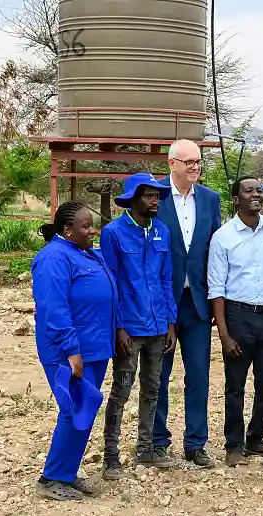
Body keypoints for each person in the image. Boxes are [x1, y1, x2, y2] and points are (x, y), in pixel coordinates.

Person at [31, 200, 120, 500]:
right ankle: (52, 478)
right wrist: (71, 350)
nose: (92, 231)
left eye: (92, 225)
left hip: (94, 348)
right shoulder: (53, 258)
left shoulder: (85, 253)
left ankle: (66, 473)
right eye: (86, 226)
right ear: (67, 229)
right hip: (68, 351)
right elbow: (53, 308)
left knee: (85, 410)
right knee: (74, 410)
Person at [99, 173, 178, 479]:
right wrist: (118, 327)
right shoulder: (113, 233)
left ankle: (146, 450)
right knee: (122, 389)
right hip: (130, 329)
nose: (155, 201)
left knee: (153, 389)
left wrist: (170, 321)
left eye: (157, 196)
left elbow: (166, 279)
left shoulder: (162, 231)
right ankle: (111, 457)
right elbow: (112, 283)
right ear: (133, 200)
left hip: (158, 326)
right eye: (149, 196)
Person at [153, 139, 223, 468]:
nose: (195, 167)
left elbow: (215, 250)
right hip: (162, 302)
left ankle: (196, 443)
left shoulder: (210, 199)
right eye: (189, 162)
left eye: (198, 161)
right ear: (172, 164)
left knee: (198, 375)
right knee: (158, 375)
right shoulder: (154, 196)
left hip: (197, 302)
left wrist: (217, 298)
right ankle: (156, 441)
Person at [207, 176, 263, 466]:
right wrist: (224, 334)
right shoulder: (223, 237)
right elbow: (216, 288)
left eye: (259, 190)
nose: (256, 195)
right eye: (248, 191)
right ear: (236, 199)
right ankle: (234, 445)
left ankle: (255, 437)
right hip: (237, 316)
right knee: (235, 385)